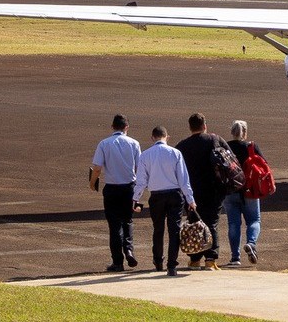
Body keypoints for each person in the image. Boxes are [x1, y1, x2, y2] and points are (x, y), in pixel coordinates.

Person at [133, 126, 196, 276]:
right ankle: (172, 265)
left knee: (158, 229)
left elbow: (141, 181)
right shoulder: (175, 153)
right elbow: (183, 180)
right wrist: (190, 199)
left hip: (156, 196)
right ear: (167, 137)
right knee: (174, 230)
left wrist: (135, 198)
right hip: (175, 194)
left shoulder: (145, 155)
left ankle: (158, 260)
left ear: (152, 137)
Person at [174, 113, 229, 271]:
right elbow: (230, 157)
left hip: (191, 192)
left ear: (190, 127)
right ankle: (210, 259)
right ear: (205, 125)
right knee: (212, 222)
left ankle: (194, 258)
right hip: (214, 189)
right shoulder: (214, 140)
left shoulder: (182, 146)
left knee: (194, 223)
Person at [90, 114, 142, 272]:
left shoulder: (104, 143)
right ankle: (129, 249)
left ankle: (117, 262)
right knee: (127, 221)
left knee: (114, 226)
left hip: (112, 188)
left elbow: (97, 167)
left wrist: (93, 183)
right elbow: (139, 168)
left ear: (112, 127)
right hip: (129, 187)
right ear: (127, 127)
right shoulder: (134, 143)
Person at [223, 120, 264, 267]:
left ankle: (235, 258)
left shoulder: (225, 148)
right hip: (250, 190)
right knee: (254, 220)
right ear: (244, 133)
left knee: (233, 224)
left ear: (232, 132)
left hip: (230, 190)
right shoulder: (251, 147)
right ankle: (251, 243)